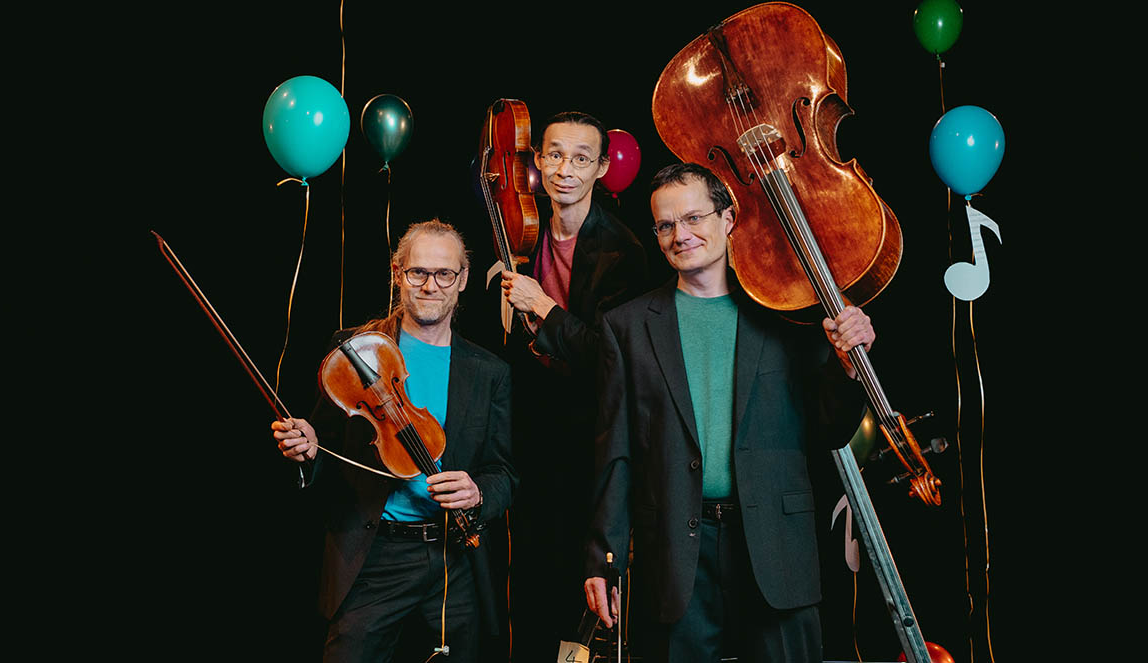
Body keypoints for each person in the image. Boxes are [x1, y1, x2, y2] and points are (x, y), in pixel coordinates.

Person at [583, 163, 875, 663]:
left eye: (693, 218)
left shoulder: (787, 313)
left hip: (775, 547)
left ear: (728, 218)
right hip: (675, 552)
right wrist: (602, 559)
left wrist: (849, 368)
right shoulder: (626, 327)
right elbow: (616, 454)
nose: (680, 235)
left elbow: (828, 429)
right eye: (666, 225)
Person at [272, 219, 517, 663]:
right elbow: (322, 448)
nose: (430, 286)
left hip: (453, 557)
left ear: (463, 279)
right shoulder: (354, 351)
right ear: (397, 273)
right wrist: (306, 449)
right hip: (375, 552)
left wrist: (478, 492)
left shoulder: (489, 372)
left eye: (444, 274)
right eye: (418, 272)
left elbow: (503, 472)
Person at [498, 111, 648, 659]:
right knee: (526, 571)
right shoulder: (522, 228)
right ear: (537, 160)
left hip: (586, 437)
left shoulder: (623, 251)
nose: (565, 169)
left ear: (602, 168)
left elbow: (609, 362)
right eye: (555, 155)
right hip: (529, 426)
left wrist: (542, 306)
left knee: (575, 578)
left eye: (581, 158)